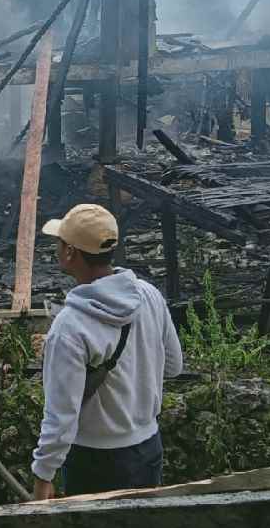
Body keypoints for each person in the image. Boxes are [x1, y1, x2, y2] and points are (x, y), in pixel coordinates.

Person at [31, 204, 183, 500]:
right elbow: (173, 365)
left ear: (71, 253)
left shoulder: (70, 326)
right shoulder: (148, 295)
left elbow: (61, 416)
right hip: (148, 447)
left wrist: (43, 475)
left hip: (94, 461)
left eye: (60, 242)